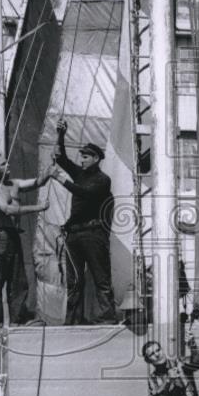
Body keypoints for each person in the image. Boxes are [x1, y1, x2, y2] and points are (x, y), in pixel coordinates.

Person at [49, 119, 117, 325]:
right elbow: (61, 158)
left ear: (96, 158)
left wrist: (62, 180)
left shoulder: (102, 180)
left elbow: (85, 193)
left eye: (86, 157)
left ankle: (106, 317)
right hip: (75, 234)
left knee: (100, 278)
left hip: (93, 234)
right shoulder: (80, 174)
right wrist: (60, 134)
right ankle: (73, 320)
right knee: (74, 280)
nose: (82, 161)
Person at [0, 152, 50, 332]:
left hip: (12, 235)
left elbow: (37, 182)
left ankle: (17, 320)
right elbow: (8, 209)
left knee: (18, 280)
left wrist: (50, 172)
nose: (8, 166)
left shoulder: (14, 184)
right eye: (4, 164)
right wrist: (38, 208)